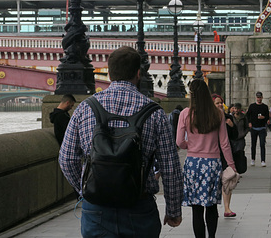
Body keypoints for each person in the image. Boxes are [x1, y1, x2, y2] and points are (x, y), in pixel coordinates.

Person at [59, 46, 183, 237]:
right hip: (139, 208)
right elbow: (170, 167)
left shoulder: (85, 108)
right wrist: (173, 210)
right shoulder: (155, 113)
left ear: (109, 73)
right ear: (139, 73)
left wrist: (86, 190)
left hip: (96, 208)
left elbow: (67, 159)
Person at [177, 81, 236, 238]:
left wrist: (191, 145)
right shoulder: (217, 114)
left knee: (197, 208)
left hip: (193, 164)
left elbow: (179, 142)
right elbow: (224, 143)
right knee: (211, 206)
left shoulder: (185, 114)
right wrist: (231, 166)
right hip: (212, 164)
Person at [212, 95, 238, 218]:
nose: (220, 105)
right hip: (213, 153)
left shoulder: (228, 117)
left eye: (221, 103)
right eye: (217, 103)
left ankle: (227, 208)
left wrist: (232, 126)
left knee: (227, 179)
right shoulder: (209, 119)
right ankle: (213, 207)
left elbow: (235, 135)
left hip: (226, 154)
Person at [246, 91, 269, 167]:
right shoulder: (252, 106)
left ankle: (263, 160)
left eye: (260, 97)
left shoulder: (265, 107)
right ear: (256, 98)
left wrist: (264, 118)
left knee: (262, 144)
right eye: (258, 97)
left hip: (262, 128)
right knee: (253, 144)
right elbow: (247, 115)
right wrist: (249, 122)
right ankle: (253, 159)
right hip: (254, 128)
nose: (259, 98)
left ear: (262, 98)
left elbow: (268, 118)